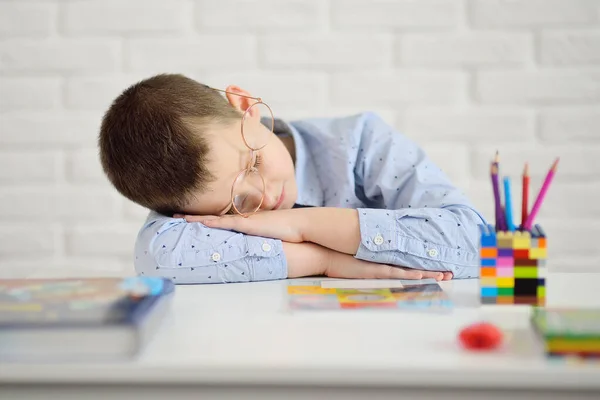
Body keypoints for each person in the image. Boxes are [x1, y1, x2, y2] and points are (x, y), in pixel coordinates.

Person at [98, 74, 486, 285]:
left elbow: (479, 243)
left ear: (245, 106)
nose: (264, 197)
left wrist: (301, 224)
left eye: (253, 164)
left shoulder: (362, 142)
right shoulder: (183, 193)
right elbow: (156, 256)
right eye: (235, 205)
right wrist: (325, 259)